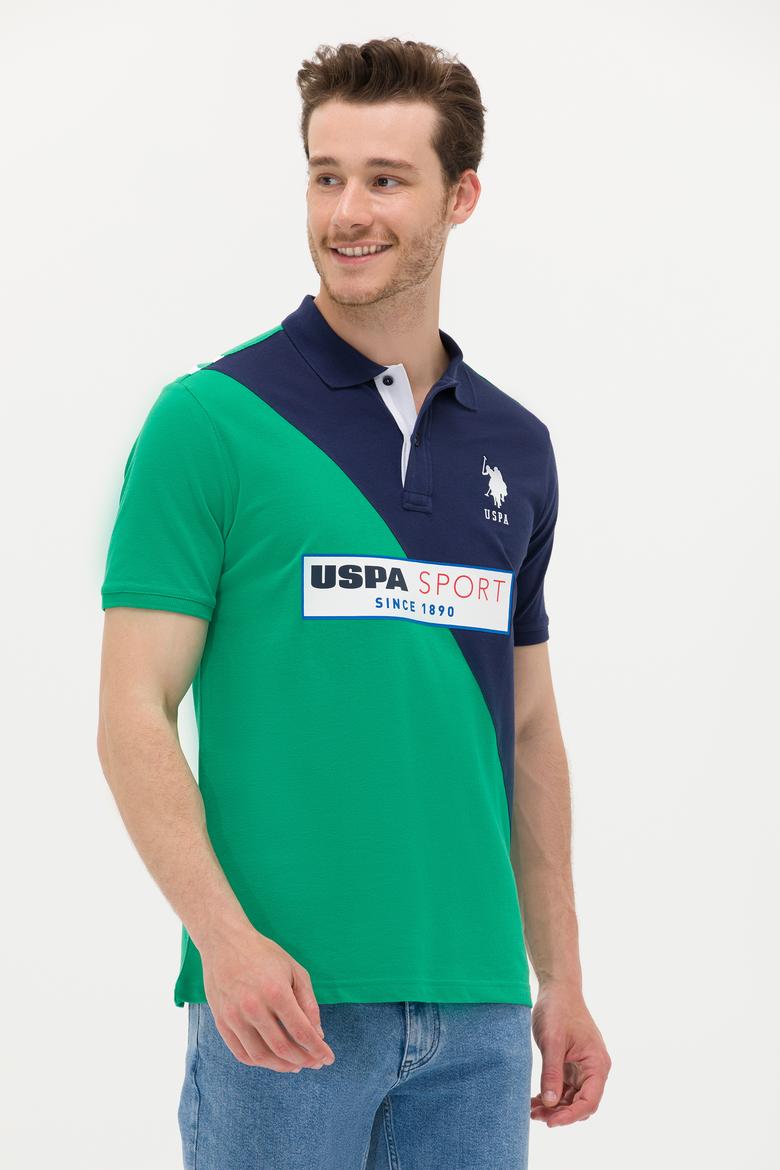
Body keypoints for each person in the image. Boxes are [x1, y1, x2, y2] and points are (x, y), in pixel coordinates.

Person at [97, 36, 611, 1170]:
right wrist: (222, 942)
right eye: (326, 176)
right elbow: (133, 712)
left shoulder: (516, 446)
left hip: (480, 1015)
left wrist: (561, 978)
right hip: (279, 1008)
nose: (347, 213)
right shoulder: (210, 421)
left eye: (386, 179)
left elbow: (529, 730)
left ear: (460, 196)